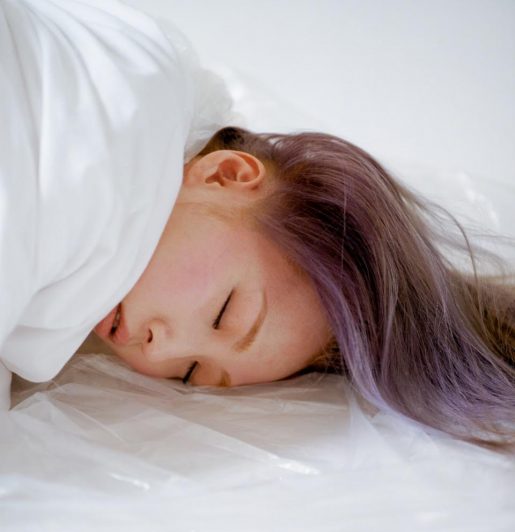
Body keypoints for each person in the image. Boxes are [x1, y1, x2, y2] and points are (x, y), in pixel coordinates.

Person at [1, 1, 514, 447]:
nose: (160, 349)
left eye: (190, 373)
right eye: (223, 313)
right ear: (226, 174)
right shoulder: (111, 139)